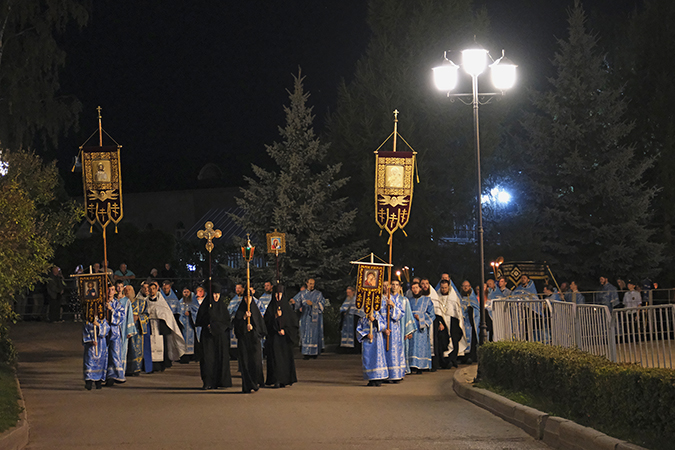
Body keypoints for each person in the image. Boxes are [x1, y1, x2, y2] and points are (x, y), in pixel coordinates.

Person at [195, 282, 232, 390]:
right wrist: (208, 319)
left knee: (221, 358)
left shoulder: (222, 307)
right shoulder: (206, 306)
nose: (216, 296)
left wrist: (217, 326)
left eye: (218, 294)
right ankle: (208, 381)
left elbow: (227, 321)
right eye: (214, 294)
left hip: (220, 337)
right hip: (208, 337)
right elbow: (200, 320)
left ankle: (221, 381)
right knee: (208, 359)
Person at [263, 285, 298, 388]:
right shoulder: (271, 308)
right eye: (276, 294)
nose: (278, 296)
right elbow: (266, 323)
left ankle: (285, 379)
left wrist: (285, 330)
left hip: (285, 340)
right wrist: (275, 317)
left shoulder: (287, 308)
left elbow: (293, 324)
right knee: (275, 360)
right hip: (274, 339)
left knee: (284, 360)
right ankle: (276, 379)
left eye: (280, 294)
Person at [146, 281, 186, 372]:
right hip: (150, 326)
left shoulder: (161, 301)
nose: (152, 291)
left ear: (156, 289)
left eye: (153, 289)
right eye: (150, 289)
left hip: (159, 327)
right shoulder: (146, 301)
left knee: (162, 345)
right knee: (151, 346)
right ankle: (151, 366)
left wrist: (159, 315)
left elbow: (166, 313)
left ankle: (161, 365)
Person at [233, 289, 266, 393]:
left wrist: (252, 328)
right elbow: (236, 327)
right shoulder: (240, 310)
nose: (248, 300)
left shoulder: (255, 310)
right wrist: (244, 319)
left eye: (250, 297)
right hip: (244, 341)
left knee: (255, 363)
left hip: (254, 341)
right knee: (245, 364)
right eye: (246, 298)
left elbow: (261, 328)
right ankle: (247, 385)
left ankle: (255, 382)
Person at [106, 284, 136, 386]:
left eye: (113, 290)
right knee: (105, 354)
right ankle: (106, 376)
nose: (111, 292)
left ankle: (118, 375)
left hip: (116, 331)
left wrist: (111, 310)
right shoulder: (104, 302)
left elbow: (122, 316)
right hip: (104, 332)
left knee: (116, 353)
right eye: (109, 290)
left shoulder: (120, 303)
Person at [432, 279, 465, 369]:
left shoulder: (453, 297)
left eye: (445, 288)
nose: (443, 289)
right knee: (443, 341)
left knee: (454, 340)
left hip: (452, 321)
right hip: (442, 322)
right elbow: (437, 311)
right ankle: (444, 361)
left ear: (449, 287)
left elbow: (457, 312)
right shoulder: (437, 296)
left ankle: (452, 359)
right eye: (442, 288)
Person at [292, 278, 325, 359]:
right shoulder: (302, 294)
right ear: (307, 283)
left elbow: (322, 306)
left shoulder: (318, 294)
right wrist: (293, 302)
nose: (312, 285)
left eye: (313, 284)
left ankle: (314, 353)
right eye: (310, 283)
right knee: (305, 334)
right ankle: (306, 353)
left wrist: (313, 304)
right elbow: (297, 303)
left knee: (314, 335)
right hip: (305, 317)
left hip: (315, 319)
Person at [407, 281, 435, 373]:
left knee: (420, 346)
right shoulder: (408, 300)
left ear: (420, 289)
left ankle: (421, 366)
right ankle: (412, 365)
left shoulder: (427, 300)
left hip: (421, 328)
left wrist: (421, 318)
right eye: (413, 288)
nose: (415, 290)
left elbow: (432, 314)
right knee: (411, 345)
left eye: (416, 288)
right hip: (411, 326)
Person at [356, 308, 387, 386]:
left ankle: (378, 378)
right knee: (368, 359)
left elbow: (383, 326)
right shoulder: (363, 317)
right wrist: (366, 335)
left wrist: (375, 321)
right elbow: (358, 329)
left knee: (377, 359)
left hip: (377, 341)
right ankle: (370, 379)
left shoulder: (377, 315)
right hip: (367, 342)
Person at [383, 280, 406, 382]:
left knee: (394, 351)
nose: (393, 286)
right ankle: (386, 374)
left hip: (394, 329)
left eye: (396, 285)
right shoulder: (382, 298)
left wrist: (393, 305)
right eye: (392, 284)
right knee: (385, 351)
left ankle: (396, 374)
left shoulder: (397, 299)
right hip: (384, 328)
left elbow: (401, 314)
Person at [83, 304, 110, 390]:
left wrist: (98, 325)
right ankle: (89, 382)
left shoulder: (102, 320)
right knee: (89, 362)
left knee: (100, 363)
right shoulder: (87, 321)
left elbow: (107, 329)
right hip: (91, 346)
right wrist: (90, 341)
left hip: (101, 344)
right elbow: (85, 332)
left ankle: (99, 382)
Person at [127, 285, 149, 376]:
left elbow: (147, 315)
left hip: (137, 329)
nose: (127, 291)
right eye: (126, 290)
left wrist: (139, 317)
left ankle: (136, 368)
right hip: (126, 329)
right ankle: (126, 369)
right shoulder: (123, 303)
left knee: (136, 349)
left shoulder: (141, 303)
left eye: (129, 290)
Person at [177, 287, 199, 363]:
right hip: (183, 325)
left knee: (192, 339)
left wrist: (190, 313)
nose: (186, 294)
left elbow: (197, 311)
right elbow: (178, 311)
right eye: (184, 292)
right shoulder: (180, 302)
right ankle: (184, 356)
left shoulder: (193, 302)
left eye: (187, 292)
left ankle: (192, 356)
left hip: (191, 324)